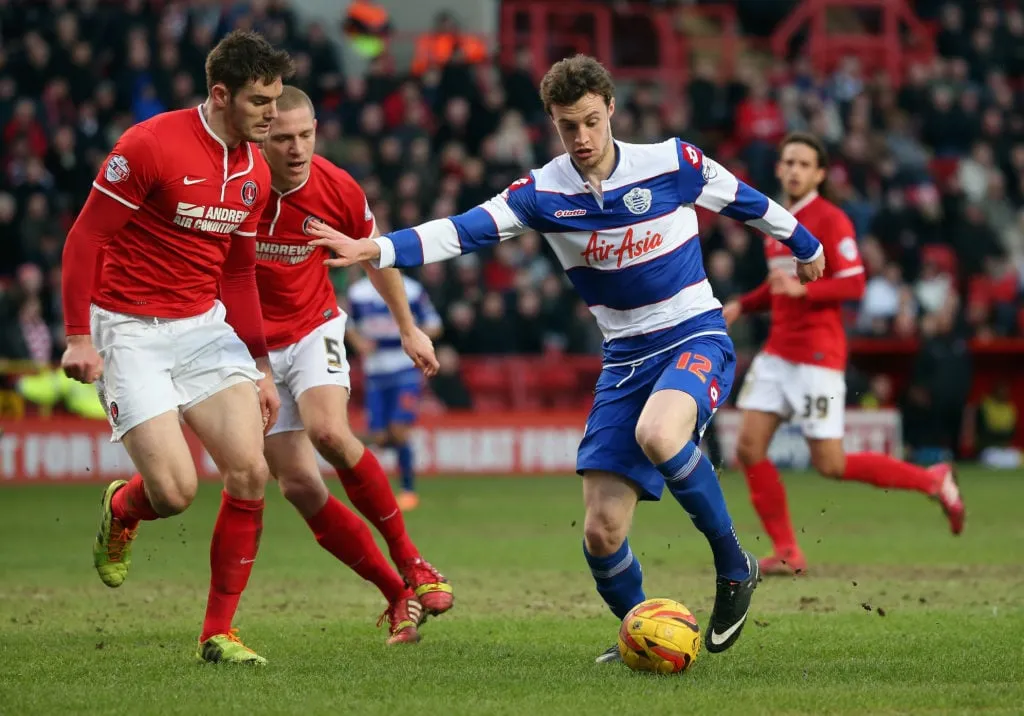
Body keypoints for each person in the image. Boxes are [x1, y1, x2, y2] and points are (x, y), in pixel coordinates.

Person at [307, 54, 826, 661]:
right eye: (565, 126)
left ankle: (734, 562)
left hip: (694, 335)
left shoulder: (671, 162)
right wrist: (376, 246)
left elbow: (743, 198)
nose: (580, 138)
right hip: (625, 358)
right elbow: (462, 229)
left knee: (660, 434)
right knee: (602, 533)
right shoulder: (541, 192)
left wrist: (804, 242)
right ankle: (640, 629)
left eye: (588, 121)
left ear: (610, 108)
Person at [60, 31, 294, 665]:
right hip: (129, 329)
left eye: (275, 98)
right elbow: (84, 239)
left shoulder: (255, 169)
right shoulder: (149, 146)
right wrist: (79, 335)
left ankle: (218, 632)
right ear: (220, 95)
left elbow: (240, 274)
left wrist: (263, 364)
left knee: (251, 471)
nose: (272, 113)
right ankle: (123, 505)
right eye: (259, 100)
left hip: (203, 327)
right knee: (175, 491)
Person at [255, 87, 453, 644]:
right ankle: (396, 596)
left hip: (313, 324)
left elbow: (374, 254)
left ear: (317, 128)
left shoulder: (337, 187)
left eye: (305, 136)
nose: (296, 149)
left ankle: (414, 560)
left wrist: (409, 327)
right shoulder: (236, 187)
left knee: (329, 433)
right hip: (249, 345)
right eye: (282, 138)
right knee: (296, 485)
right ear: (260, 134)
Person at [723, 132, 966, 576]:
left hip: (818, 355)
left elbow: (854, 282)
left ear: (819, 173)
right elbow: (778, 283)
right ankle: (787, 550)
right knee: (748, 447)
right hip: (777, 353)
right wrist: (745, 303)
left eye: (804, 164)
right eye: (788, 162)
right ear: (778, 168)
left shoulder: (831, 220)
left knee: (830, 464)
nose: (794, 170)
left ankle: (933, 480)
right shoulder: (774, 222)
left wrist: (803, 289)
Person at [346, 271, 443, 511]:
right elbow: (347, 324)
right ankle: (378, 470)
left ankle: (408, 490)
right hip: (375, 372)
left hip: (405, 369)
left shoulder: (411, 290)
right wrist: (359, 342)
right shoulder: (358, 292)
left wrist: (410, 336)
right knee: (379, 437)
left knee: (399, 431)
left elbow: (435, 325)